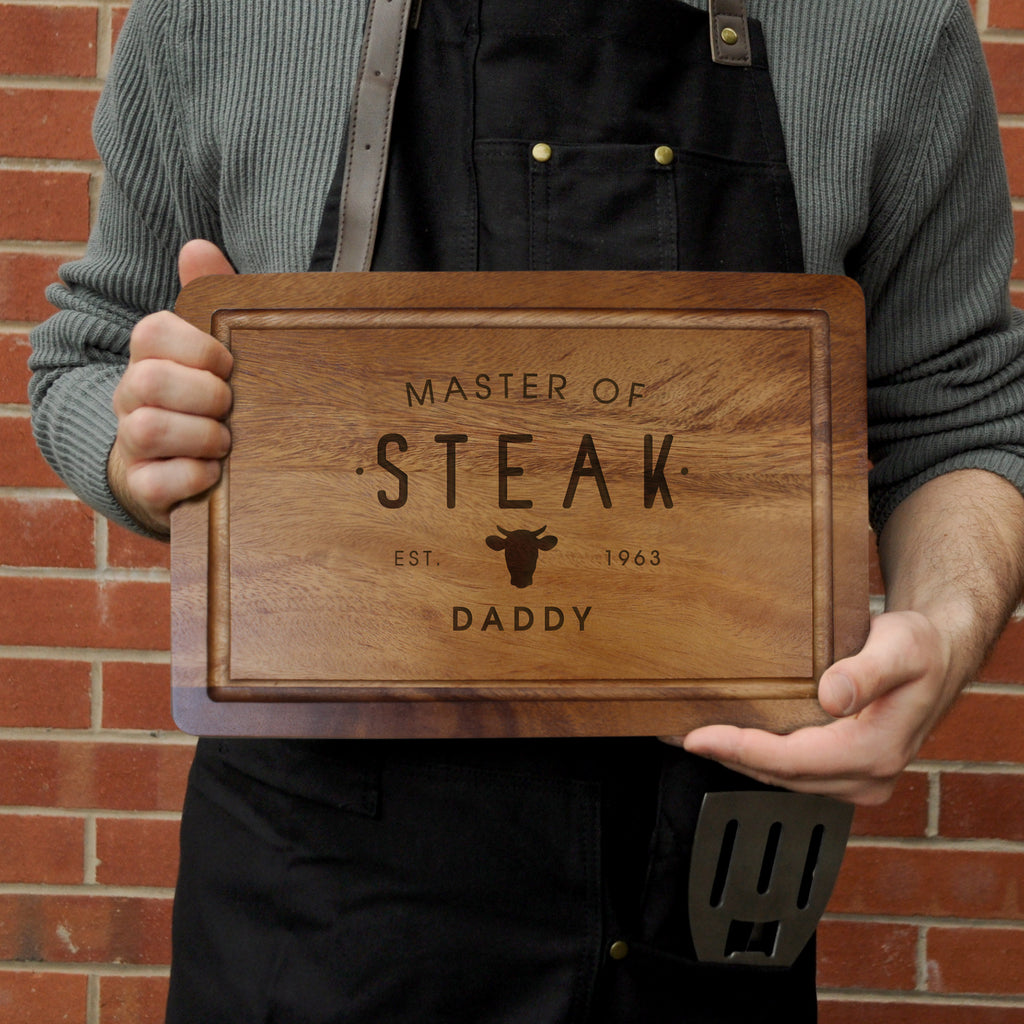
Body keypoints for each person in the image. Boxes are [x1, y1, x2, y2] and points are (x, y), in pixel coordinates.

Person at [29, 0, 1024, 1020]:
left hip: (704, 899)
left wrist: (944, 631)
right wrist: (141, 449)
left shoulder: (886, 25)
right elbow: (91, 349)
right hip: (314, 915)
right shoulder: (215, 19)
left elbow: (962, 415)